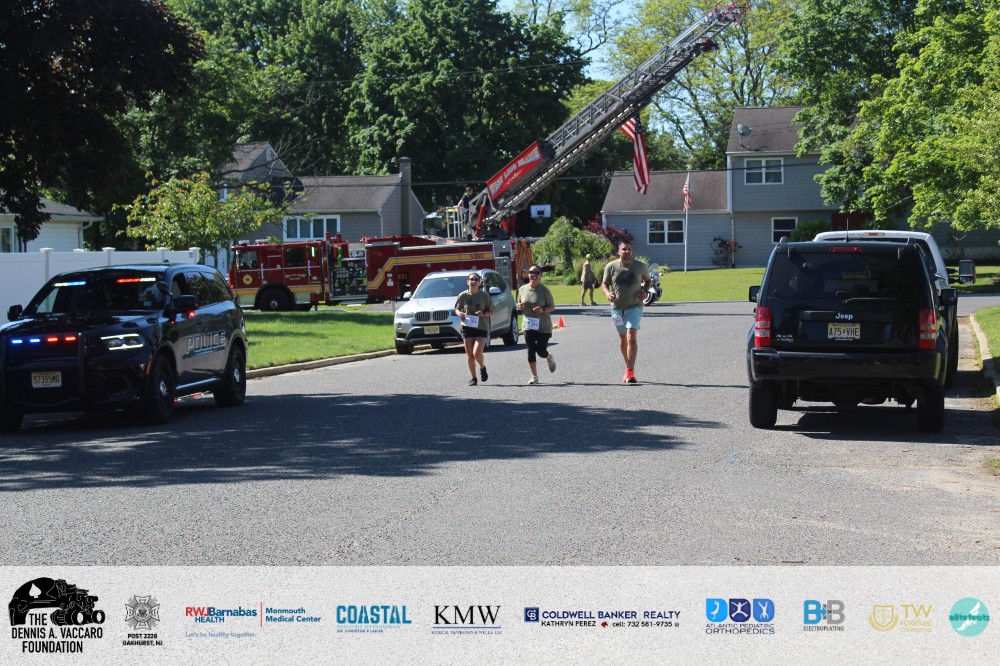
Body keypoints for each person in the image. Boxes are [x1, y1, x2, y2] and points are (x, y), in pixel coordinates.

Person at [601, 241, 650, 384]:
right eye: (624, 249)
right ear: (618, 251)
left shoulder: (640, 266)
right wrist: (607, 293)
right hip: (617, 308)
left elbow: (648, 281)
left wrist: (645, 292)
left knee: (631, 337)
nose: (627, 251)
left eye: (629, 249)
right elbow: (604, 283)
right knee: (623, 338)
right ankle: (628, 367)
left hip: (635, 306)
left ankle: (630, 372)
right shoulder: (611, 266)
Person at [516, 264, 556, 385]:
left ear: (540, 275)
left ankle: (548, 357)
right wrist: (519, 306)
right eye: (531, 272)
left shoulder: (545, 290)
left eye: (536, 273)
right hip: (528, 324)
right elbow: (519, 304)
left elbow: (552, 307)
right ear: (528, 274)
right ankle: (534, 376)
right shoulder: (522, 289)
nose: (533, 275)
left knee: (541, 351)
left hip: (543, 326)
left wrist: (542, 310)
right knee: (530, 350)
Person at [454, 272, 494, 386]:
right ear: (468, 281)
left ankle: (482, 367)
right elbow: (457, 308)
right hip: (467, 326)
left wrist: (483, 314)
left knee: (476, 353)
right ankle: (474, 378)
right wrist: (459, 313)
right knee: (469, 354)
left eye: (476, 279)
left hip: (481, 327)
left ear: (479, 282)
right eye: (472, 279)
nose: (474, 281)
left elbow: (491, 312)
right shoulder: (463, 295)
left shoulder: (484, 296)